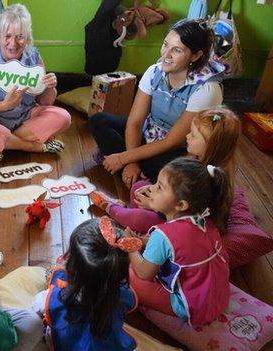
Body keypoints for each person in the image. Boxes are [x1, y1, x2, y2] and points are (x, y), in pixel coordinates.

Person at [89, 18, 225, 186]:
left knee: (165, 170)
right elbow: (135, 121)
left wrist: (122, 157)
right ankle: (136, 170)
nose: (166, 55)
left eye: (176, 50)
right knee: (99, 121)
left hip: (178, 149)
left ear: (195, 55)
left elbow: (172, 141)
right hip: (149, 133)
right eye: (165, 44)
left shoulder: (207, 89)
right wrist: (131, 162)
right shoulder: (154, 72)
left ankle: (126, 166)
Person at [90, 107, 240, 234]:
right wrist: (152, 191)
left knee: (137, 219)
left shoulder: (208, 178)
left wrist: (152, 204)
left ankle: (112, 207)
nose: (187, 136)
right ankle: (136, 216)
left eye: (193, 135)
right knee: (138, 187)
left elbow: (185, 213)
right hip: (171, 206)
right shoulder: (193, 158)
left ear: (210, 146)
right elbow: (174, 190)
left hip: (181, 222)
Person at [0, 3, 71, 162]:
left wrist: (50, 87)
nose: (13, 43)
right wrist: (4, 105)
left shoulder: (33, 55)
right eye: (8, 36)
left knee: (63, 117)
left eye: (20, 36)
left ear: (28, 37)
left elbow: (45, 101)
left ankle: (1, 143)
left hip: (22, 119)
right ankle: (31, 145)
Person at [127, 157, 231, 325]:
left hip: (192, 308)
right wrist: (141, 240)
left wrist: (130, 247)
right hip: (219, 299)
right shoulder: (207, 222)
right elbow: (178, 246)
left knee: (128, 273)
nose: (151, 189)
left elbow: (144, 274)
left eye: (159, 187)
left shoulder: (162, 235)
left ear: (181, 205)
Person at [37, 217, 141, 350]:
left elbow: (38, 306)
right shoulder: (123, 294)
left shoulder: (55, 296)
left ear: (72, 266)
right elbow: (130, 304)